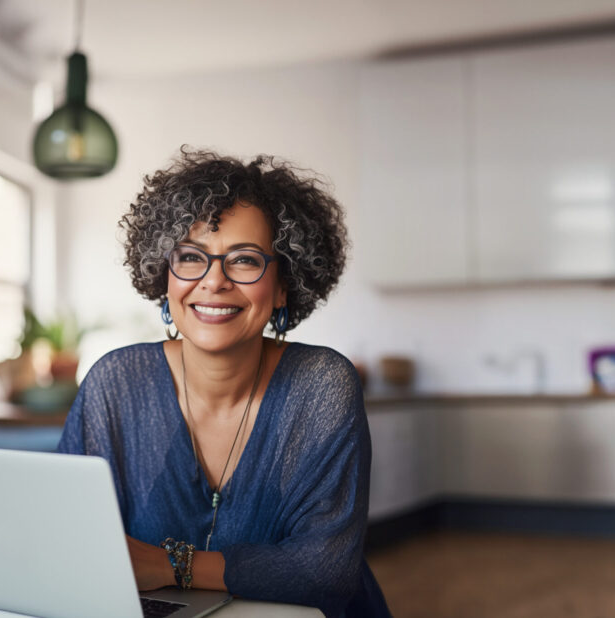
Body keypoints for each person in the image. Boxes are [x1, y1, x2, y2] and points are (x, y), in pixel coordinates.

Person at [56, 148, 391, 617]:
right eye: (191, 257)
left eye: (245, 260)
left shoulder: (322, 386)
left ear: (282, 287)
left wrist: (173, 565)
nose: (214, 281)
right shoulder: (115, 383)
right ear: (165, 279)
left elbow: (324, 573)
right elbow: (65, 535)